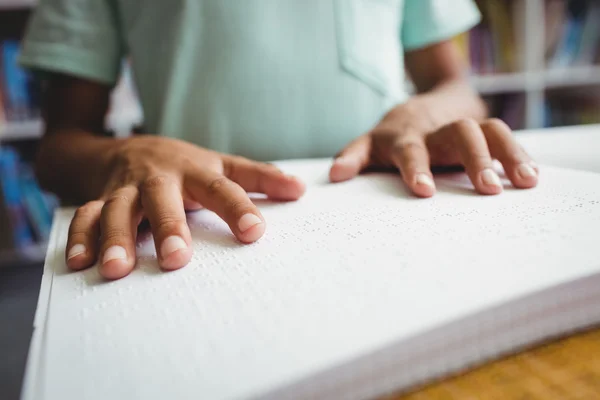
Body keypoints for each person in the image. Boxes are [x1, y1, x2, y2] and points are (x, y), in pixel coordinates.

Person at [19, 0, 538, 280]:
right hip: (197, 229)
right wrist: (131, 153)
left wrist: (425, 113)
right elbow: (59, 147)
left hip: (389, 215)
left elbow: (455, 86)